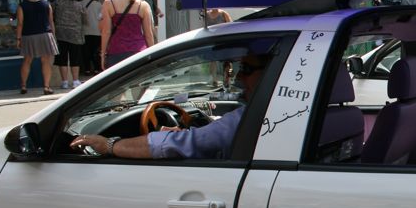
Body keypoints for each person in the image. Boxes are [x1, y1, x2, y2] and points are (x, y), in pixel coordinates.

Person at [70, 52, 270, 160]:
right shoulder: (272, 111)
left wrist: (109, 145)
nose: (238, 77)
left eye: (246, 68)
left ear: (269, 72)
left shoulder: (254, 117)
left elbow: (186, 144)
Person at [101, 0, 155, 70]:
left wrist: (103, 54)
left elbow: (106, 31)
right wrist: (153, 54)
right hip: (139, 51)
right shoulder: (143, 4)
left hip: (116, 51)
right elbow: (148, 34)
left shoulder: (109, 2)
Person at [15, 0, 59, 95]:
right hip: (45, 35)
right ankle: (46, 87)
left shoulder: (22, 6)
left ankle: (23, 86)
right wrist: (53, 36)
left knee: (27, 60)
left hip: (28, 36)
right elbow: (51, 21)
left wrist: (18, 38)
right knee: (46, 61)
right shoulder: (46, 4)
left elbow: (20, 23)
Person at [53, 0, 85, 89]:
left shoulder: (58, 3)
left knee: (62, 59)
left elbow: (53, 15)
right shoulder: (80, 6)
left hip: (61, 34)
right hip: (75, 35)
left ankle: (64, 82)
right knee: (75, 58)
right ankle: (75, 80)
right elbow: (85, 19)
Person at [80, 0, 103, 76]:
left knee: (86, 51)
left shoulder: (80, 4)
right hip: (96, 31)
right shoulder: (98, 4)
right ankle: (97, 68)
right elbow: (102, 17)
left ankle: (87, 69)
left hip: (84, 31)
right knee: (95, 51)